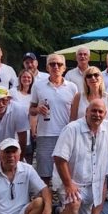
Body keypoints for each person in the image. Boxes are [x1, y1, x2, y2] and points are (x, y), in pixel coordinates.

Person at [69, 66, 108, 214]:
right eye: (89, 75)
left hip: (102, 143)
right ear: (85, 80)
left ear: (101, 77)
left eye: (96, 74)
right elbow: (71, 120)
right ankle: (79, 210)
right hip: (81, 142)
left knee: (102, 179)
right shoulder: (79, 97)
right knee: (79, 175)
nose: (93, 78)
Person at [30, 53, 78, 185]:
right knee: (44, 173)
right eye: (52, 64)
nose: (55, 66)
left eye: (59, 64)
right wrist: (38, 109)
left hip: (66, 134)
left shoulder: (72, 87)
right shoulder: (38, 86)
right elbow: (31, 110)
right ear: (47, 67)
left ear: (64, 68)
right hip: (45, 134)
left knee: (67, 172)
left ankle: (65, 203)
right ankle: (47, 203)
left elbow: (76, 112)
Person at [11, 69, 37, 164]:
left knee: (27, 155)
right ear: (20, 79)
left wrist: (34, 131)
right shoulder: (13, 92)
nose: (26, 79)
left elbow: (34, 114)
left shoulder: (34, 95)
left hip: (29, 128)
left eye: (29, 77)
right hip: (14, 127)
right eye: (24, 77)